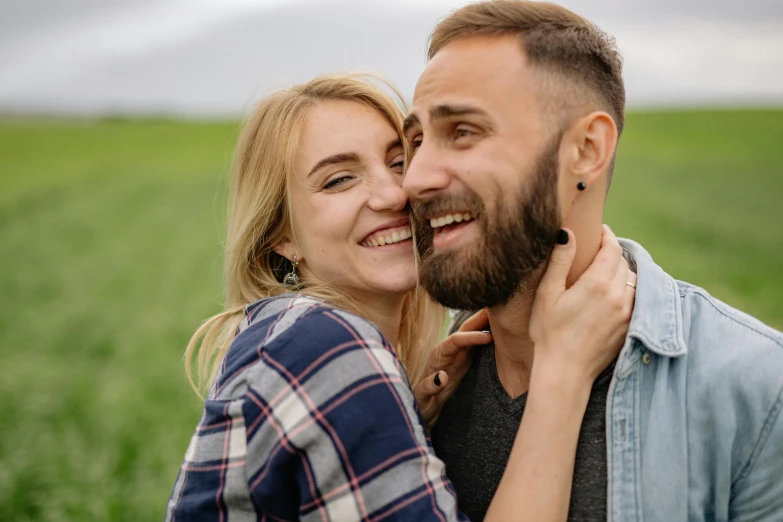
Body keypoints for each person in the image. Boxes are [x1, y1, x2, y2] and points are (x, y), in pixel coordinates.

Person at [165, 73, 636, 521]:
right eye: (339, 179)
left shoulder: (282, 335)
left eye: (398, 163)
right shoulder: (326, 346)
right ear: (280, 236)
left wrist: (403, 417)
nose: (394, 194)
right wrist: (564, 371)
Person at [402, 1, 783, 521]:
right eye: (416, 142)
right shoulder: (416, 387)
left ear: (585, 149)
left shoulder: (756, 392)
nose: (415, 178)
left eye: (463, 132)